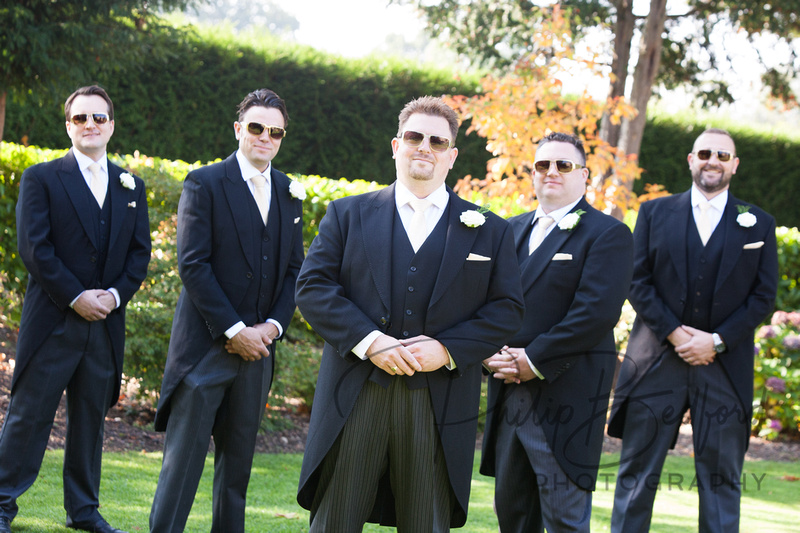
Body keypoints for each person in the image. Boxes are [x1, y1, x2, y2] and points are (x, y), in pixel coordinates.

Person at [295, 95, 525, 532]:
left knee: (426, 522)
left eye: (438, 141)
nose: (425, 147)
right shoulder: (347, 214)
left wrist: (447, 349)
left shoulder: (490, 229)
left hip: (437, 403)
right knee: (335, 521)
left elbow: (507, 309)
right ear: (396, 145)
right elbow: (313, 287)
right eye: (414, 136)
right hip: (355, 393)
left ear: (451, 156)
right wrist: (371, 342)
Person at [148, 88, 304, 533]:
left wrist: (272, 327)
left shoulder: (289, 192)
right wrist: (235, 330)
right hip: (204, 351)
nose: (265, 137)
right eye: (256, 127)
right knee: (181, 469)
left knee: (236, 473)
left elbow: (295, 269)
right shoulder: (205, 182)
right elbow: (192, 264)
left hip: (258, 355)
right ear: (238, 129)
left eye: (275, 132)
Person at [608, 128, 778, 532]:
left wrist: (716, 341)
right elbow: (636, 280)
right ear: (690, 160)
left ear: (735, 165)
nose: (713, 161)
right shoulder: (653, 213)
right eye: (705, 153)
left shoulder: (759, 224)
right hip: (655, 363)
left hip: (724, 368)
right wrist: (675, 333)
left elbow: (763, 296)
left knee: (721, 482)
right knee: (636, 477)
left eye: (722, 155)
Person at [0, 85, 151, 533]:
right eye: (81, 118)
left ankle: (83, 510)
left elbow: (139, 255)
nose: (90, 125)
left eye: (99, 118)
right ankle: (1, 504)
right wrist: (76, 296)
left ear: (111, 126)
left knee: (90, 421)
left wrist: (114, 296)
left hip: (105, 325)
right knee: (29, 417)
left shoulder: (130, 186)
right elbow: (35, 249)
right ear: (68, 126)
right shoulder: (42, 178)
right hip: (53, 320)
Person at [480, 133, 633, 532]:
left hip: (565, 398)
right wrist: (488, 352)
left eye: (564, 165)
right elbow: (486, 303)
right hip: (507, 392)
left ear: (584, 175)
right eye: (542, 165)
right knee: (513, 518)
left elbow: (595, 314)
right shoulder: (508, 230)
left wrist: (532, 360)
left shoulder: (607, 233)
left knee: (565, 521)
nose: (552, 172)